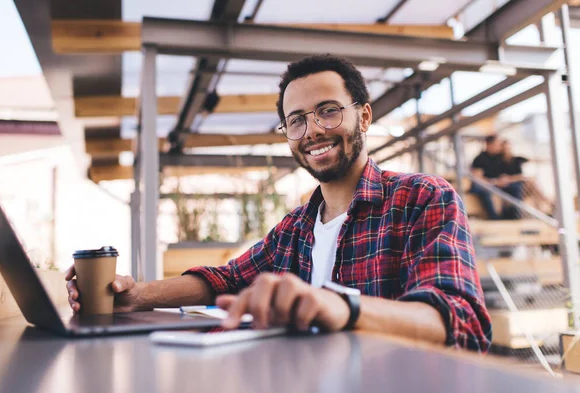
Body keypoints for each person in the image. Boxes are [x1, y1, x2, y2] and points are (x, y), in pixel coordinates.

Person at [65, 55, 491, 352]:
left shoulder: (422, 198)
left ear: (363, 117)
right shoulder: (296, 228)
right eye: (297, 120)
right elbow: (226, 279)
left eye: (328, 111)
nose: (313, 131)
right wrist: (138, 295)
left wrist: (341, 306)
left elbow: (462, 323)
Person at [501, 139, 553, 215]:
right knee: (532, 183)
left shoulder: (517, 159)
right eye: (505, 148)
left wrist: (550, 160)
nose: (507, 150)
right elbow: (504, 178)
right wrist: (518, 177)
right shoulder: (500, 162)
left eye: (508, 148)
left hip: (522, 184)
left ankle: (544, 208)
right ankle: (548, 203)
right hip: (512, 185)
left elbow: (533, 160)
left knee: (533, 185)